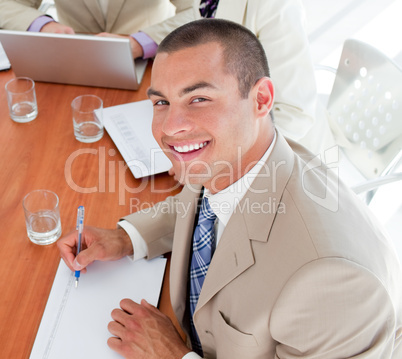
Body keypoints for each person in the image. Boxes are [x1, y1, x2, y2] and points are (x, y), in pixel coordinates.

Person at [58, 18, 402, 359]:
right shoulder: (233, 155)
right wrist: (127, 237)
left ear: (261, 99)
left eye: (199, 99)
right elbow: (199, 205)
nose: (171, 128)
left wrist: (172, 356)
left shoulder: (334, 283)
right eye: (162, 102)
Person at [0, 0, 200, 59]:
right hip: (72, 56)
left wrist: (141, 43)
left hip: (149, 59)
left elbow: (199, 11)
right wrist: (43, 25)